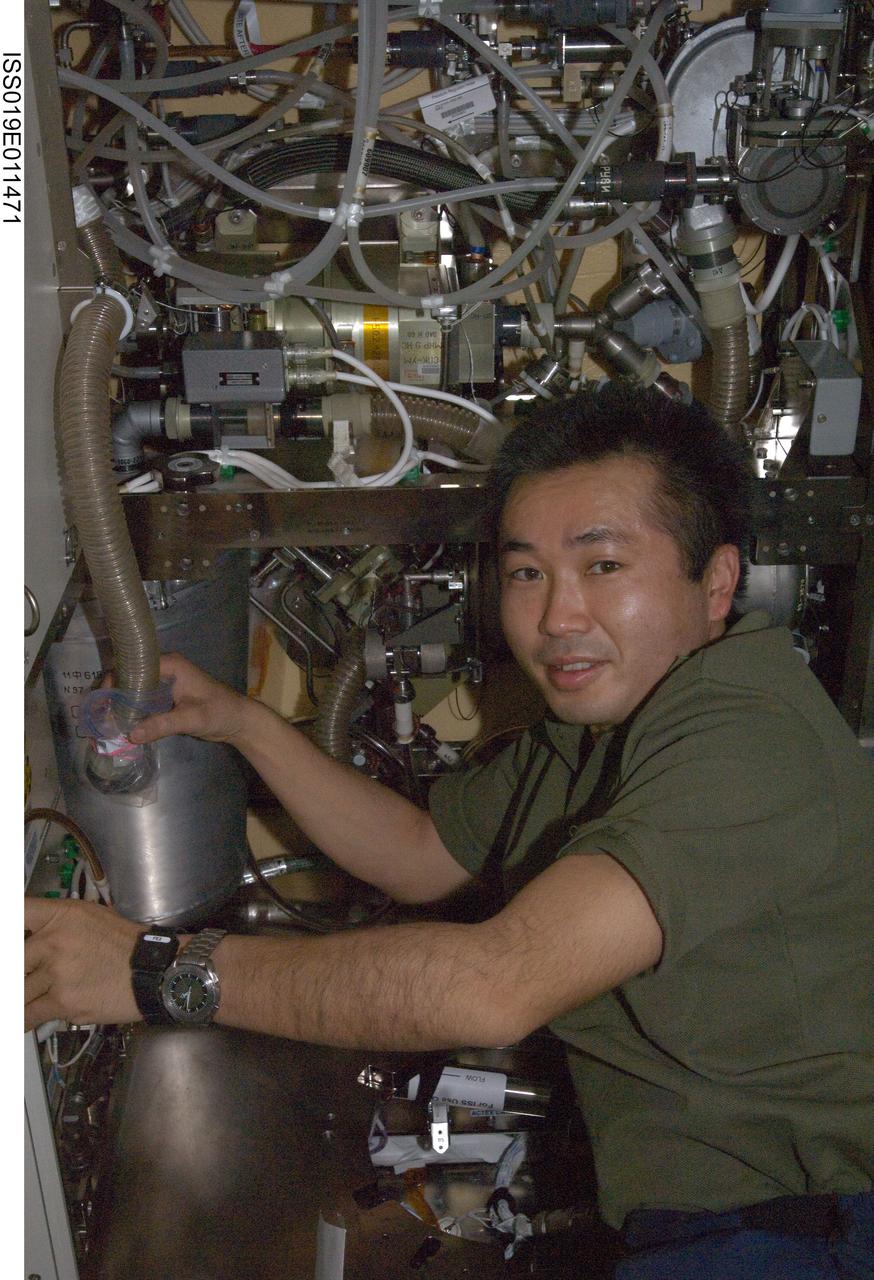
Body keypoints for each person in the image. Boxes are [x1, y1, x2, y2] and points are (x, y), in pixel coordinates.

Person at [25, 385, 874, 1278]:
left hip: (819, 1229)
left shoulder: (743, 737)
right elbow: (421, 855)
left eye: (604, 567)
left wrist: (158, 972)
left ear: (718, 583)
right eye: (526, 573)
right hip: (718, 1225)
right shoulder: (592, 738)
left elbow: (492, 986)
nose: (556, 617)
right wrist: (242, 723)